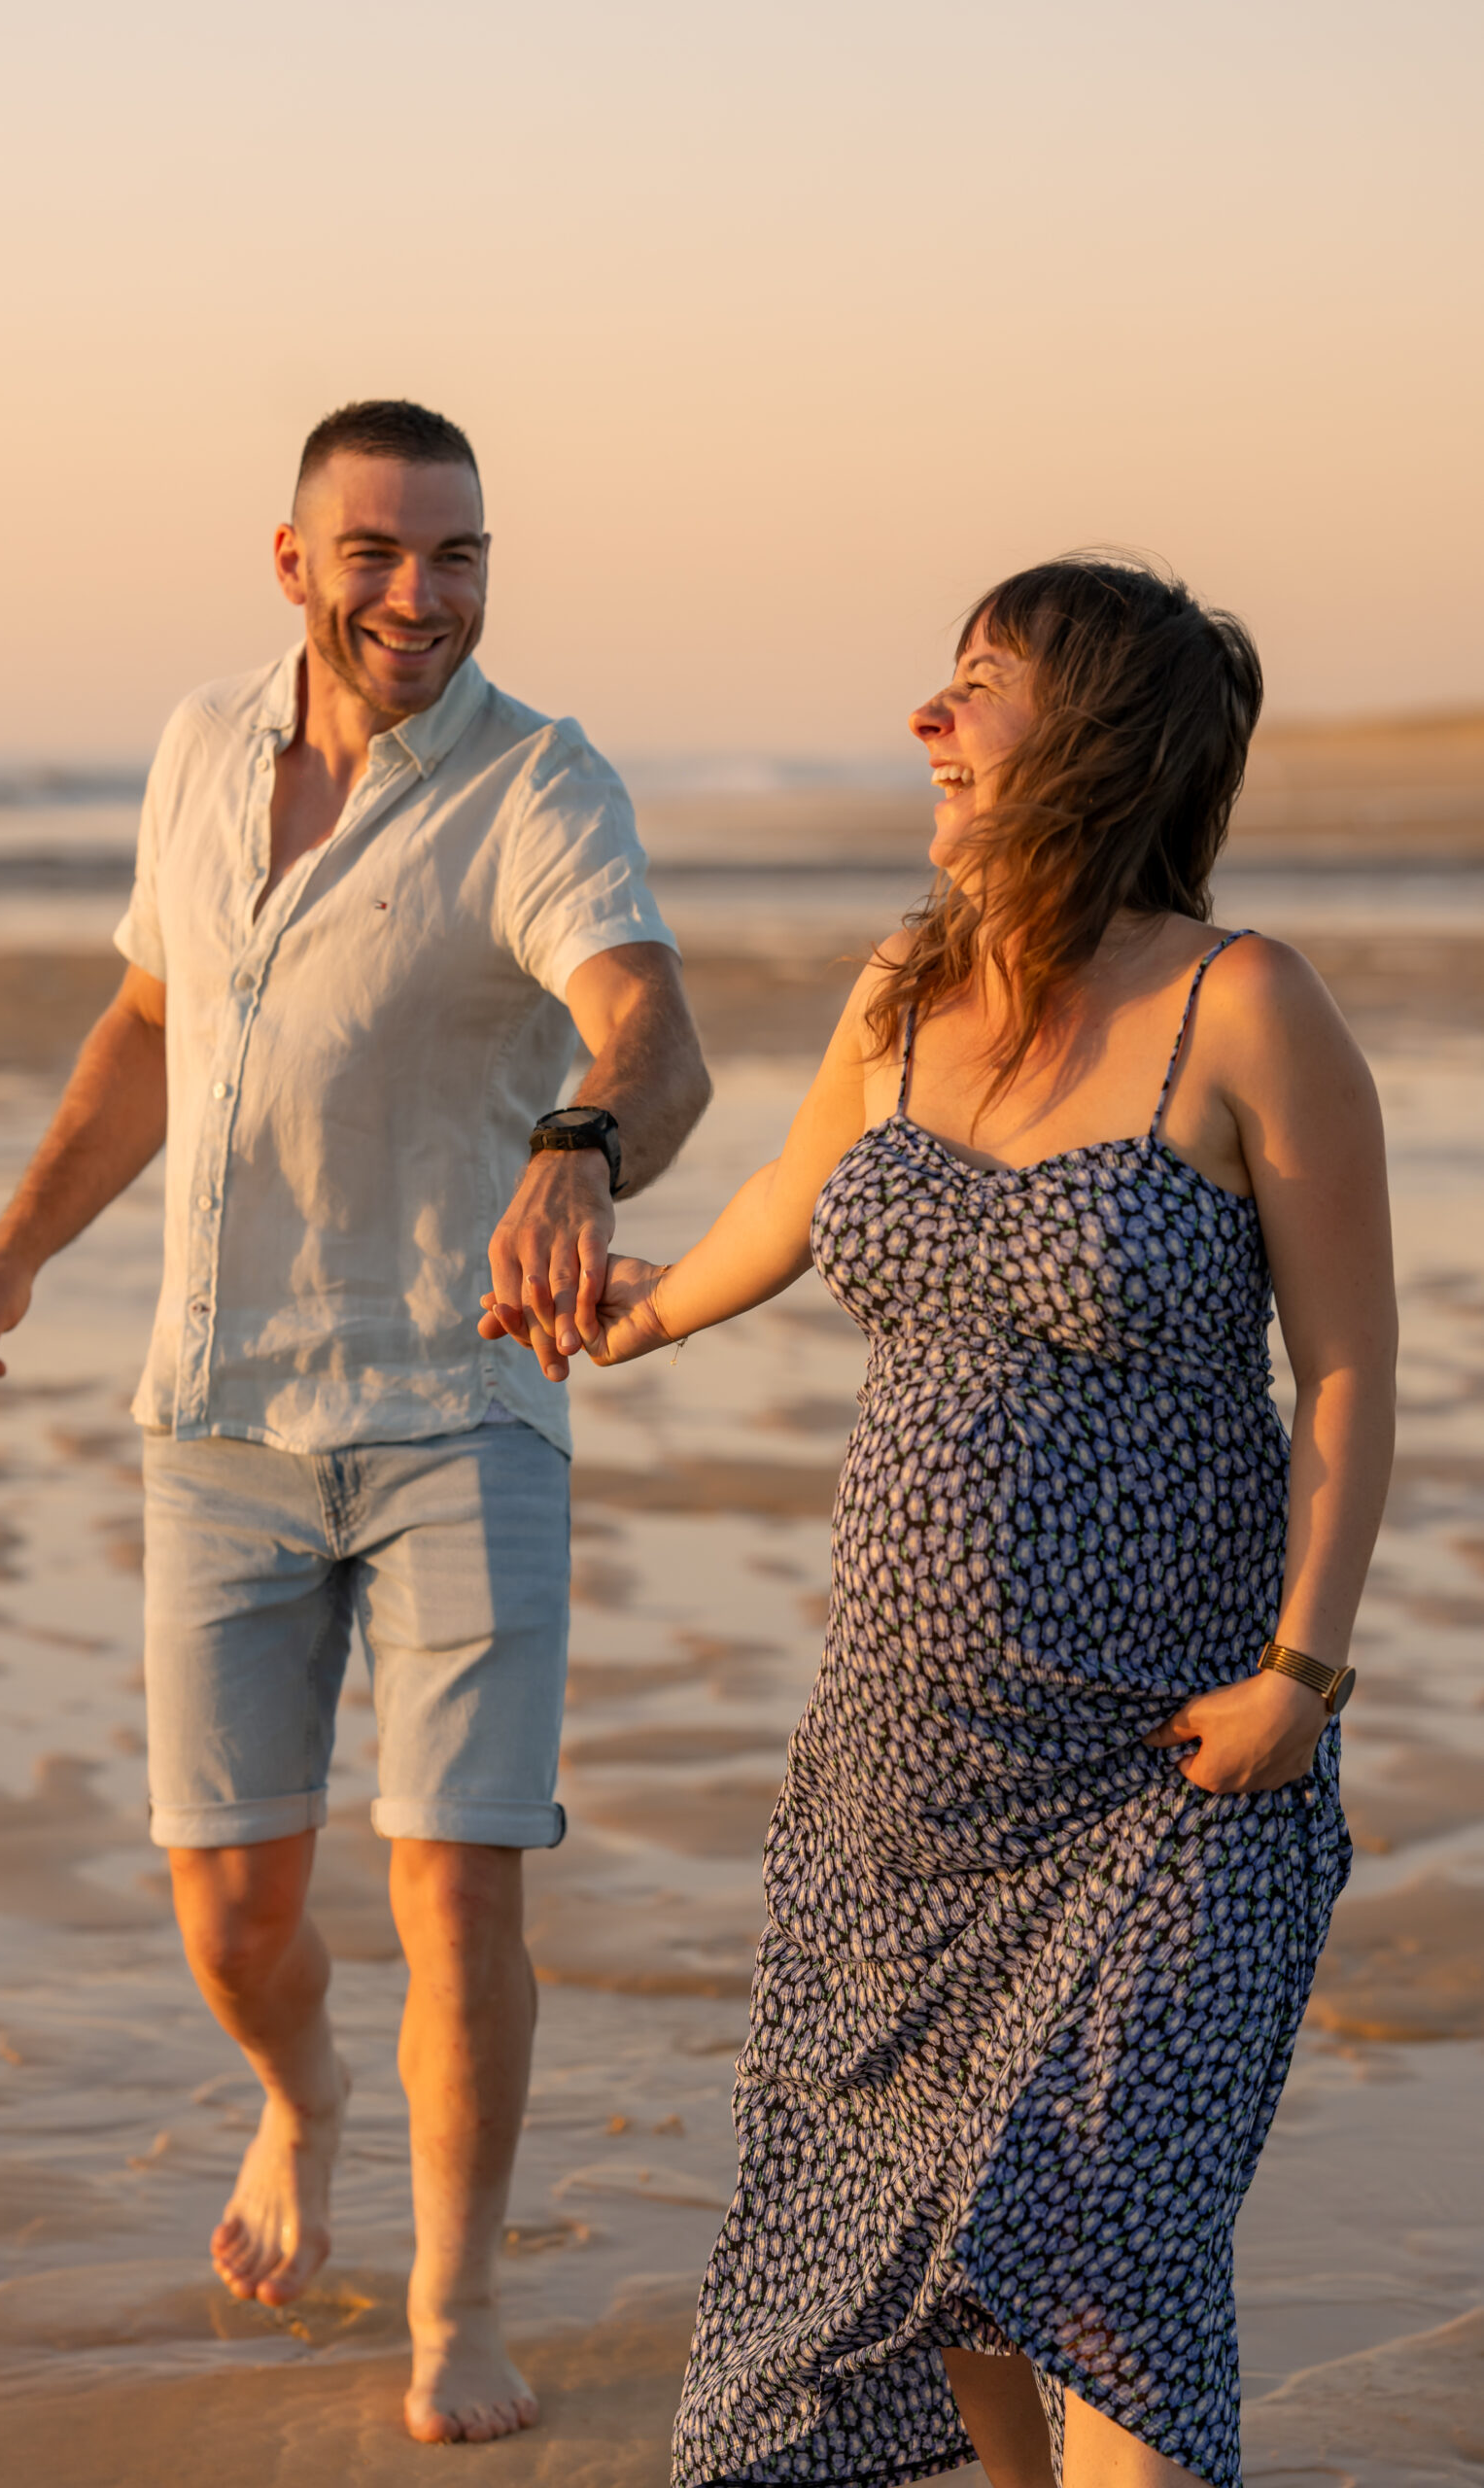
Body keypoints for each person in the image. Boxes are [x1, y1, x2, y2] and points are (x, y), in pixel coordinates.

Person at [483, 557, 1395, 2488]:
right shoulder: (905, 993)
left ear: (1094, 738)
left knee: (1115, 2257)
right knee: (926, 2254)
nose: (925, 717)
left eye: (973, 683)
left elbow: (1342, 1368)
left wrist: (1303, 1671)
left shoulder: (1242, 1008)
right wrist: (619, 1311)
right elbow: (782, 1208)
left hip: (1167, 1762)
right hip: (895, 1786)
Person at [0, 397, 710, 2447]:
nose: (418, 594)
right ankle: (302, 2092)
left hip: (462, 1410)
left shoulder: (540, 781)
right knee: (234, 1915)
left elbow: (652, 1030)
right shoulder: (199, 753)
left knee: (457, 1887)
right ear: (291, 562)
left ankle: (455, 2300)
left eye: (455, 554)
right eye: (376, 552)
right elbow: (152, 1020)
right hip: (217, 1417)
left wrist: (576, 1153)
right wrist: (16, 1252)